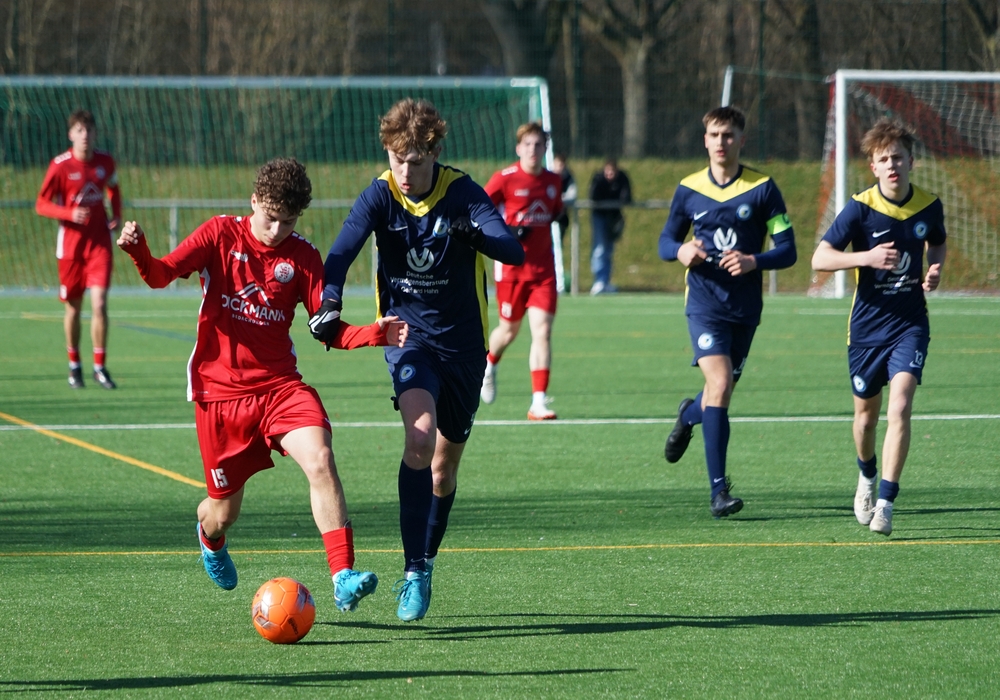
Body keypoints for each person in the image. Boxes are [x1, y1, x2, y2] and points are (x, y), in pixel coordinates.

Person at [116, 158, 406, 612]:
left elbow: (327, 329)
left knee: (321, 458)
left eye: (288, 222)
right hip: (220, 396)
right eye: (270, 217)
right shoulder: (219, 235)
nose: (276, 230)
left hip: (281, 388)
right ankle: (210, 539)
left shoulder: (303, 257)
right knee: (223, 512)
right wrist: (139, 251)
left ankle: (343, 575)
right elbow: (160, 274)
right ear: (253, 201)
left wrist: (375, 333)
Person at [309, 98, 524, 622]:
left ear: (435, 153)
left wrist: (475, 234)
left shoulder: (462, 192)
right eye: (397, 159)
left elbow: (512, 248)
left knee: (443, 473)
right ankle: (412, 571)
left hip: (465, 350)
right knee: (420, 439)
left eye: (416, 161)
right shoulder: (380, 195)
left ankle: (426, 562)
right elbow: (340, 252)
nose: (405, 171)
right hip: (409, 340)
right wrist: (329, 301)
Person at [658, 106, 797, 518]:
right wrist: (681, 250)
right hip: (704, 304)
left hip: (745, 308)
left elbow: (788, 250)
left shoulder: (763, 189)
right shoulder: (689, 189)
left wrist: (755, 261)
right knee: (719, 384)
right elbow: (666, 241)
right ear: (705, 140)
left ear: (741, 139)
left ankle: (688, 416)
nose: (722, 142)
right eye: (715, 135)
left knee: (720, 392)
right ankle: (719, 492)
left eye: (729, 135)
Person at [811, 118, 946, 536]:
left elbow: (937, 240)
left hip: (910, 323)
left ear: (911, 162)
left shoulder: (928, 205)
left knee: (900, 405)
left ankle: (886, 502)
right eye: (884, 160)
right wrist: (865, 258)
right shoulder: (860, 208)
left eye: (898, 158)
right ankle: (867, 476)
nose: (892, 165)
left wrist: (935, 266)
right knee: (866, 420)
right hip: (867, 329)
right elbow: (819, 258)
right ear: (873, 166)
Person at [480, 123, 564, 420]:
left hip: (543, 272)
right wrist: (507, 231)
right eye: (527, 144)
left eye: (538, 144)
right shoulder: (504, 179)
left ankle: (538, 402)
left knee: (542, 332)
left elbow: (556, 211)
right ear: (518, 148)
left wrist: (561, 218)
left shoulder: (553, 181)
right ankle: (489, 365)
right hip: (512, 270)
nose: (532, 149)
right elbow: (479, 209)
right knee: (508, 331)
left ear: (545, 148)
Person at [36, 109, 122, 390]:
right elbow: (41, 204)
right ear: (71, 134)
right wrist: (68, 213)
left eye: (89, 130)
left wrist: (116, 214)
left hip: (99, 246)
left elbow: (114, 188)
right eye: (80, 131)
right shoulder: (60, 166)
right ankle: (75, 365)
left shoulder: (105, 162)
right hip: (71, 249)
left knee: (100, 305)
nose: (85, 136)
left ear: (95, 134)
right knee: (73, 309)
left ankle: (100, 367)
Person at [588, 157, 631, 295]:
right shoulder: (598, 178)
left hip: (614, 217)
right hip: (599, 216)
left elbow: (627, 196)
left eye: (612, 172)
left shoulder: (622, 178)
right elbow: (593, 196)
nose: (610, 175)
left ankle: (605, 281)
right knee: (599, 248)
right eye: (608, 172)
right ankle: (598, 281)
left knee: (608, 250)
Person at [552, 152, 577, 243]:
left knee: (559, 242)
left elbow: (572, 196)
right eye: (558, 165)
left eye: (562, 165)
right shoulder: (546, 176)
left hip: (561, 214)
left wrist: (557, 199)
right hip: (546, 216)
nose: (560, 167)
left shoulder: (568, 177)